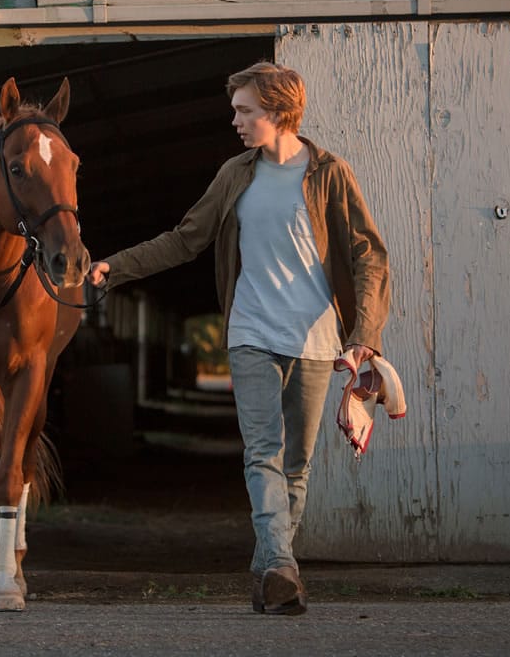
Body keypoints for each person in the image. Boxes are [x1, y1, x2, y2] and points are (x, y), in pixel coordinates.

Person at [88, 61, 389, 616]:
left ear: (277, 112)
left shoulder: (328, 174)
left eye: (244, 111)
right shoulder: (235, 175)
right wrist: (116, 267)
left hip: (317, 340)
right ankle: (281, 567)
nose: (235, 121)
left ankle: (269, 571)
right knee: (262, 454)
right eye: (236, 111)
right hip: (250, 331)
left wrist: (364, 332)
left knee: (296, 463)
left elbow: (368, 254)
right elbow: (185, 240)